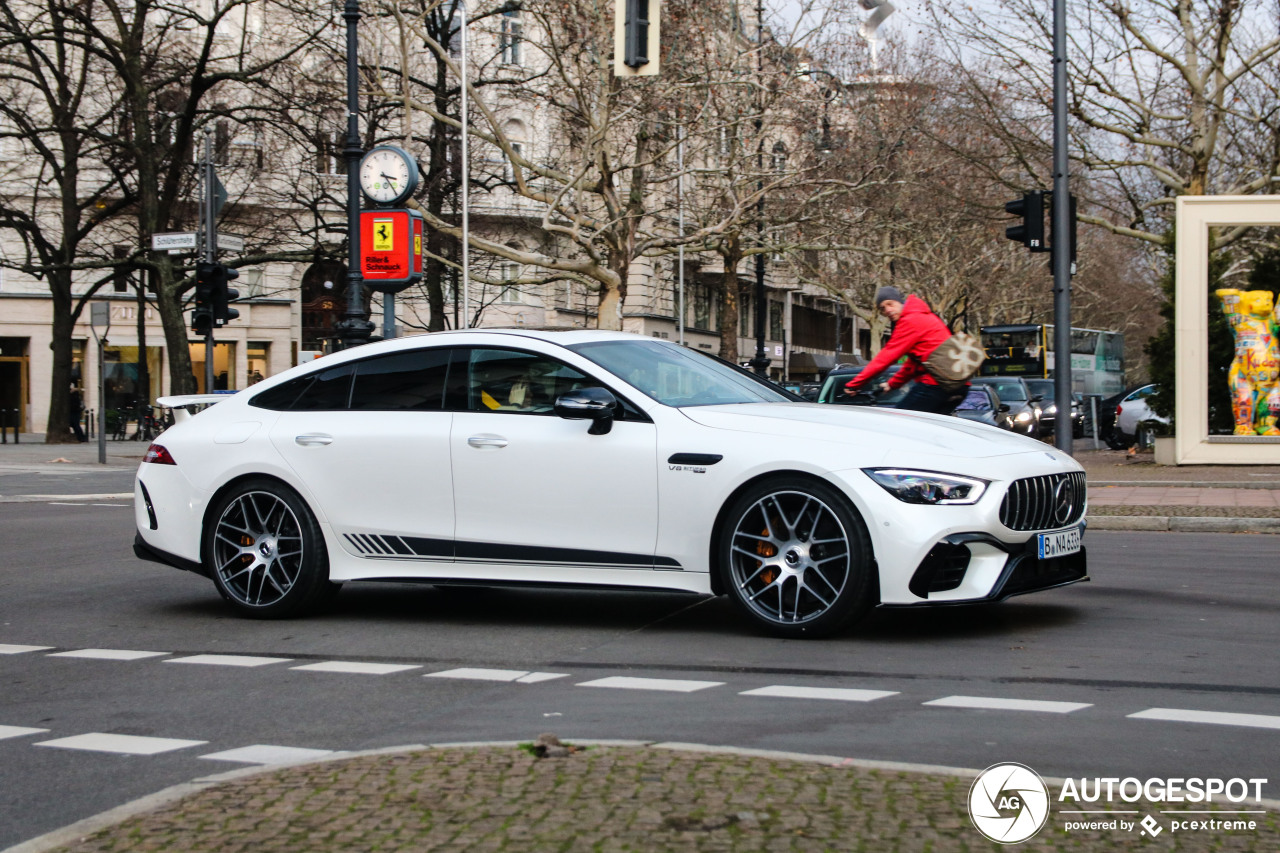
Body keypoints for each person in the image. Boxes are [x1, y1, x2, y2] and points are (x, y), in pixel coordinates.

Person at [842, 286, 968, 415]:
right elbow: (914, 364)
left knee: (901, 422)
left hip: (936, 383)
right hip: (959, 384)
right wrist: (892, 384)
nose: (888, 310)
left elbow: (885, 358)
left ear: (900, 301)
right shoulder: (925, 316)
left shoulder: (909, 320)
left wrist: (854, 384)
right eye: (882, 308)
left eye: (890, 304)